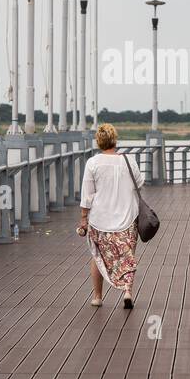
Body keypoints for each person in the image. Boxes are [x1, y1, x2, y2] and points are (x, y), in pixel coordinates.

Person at [77, 122, 144, 308]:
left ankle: (98, 297)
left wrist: (83, 218)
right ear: (115, 140)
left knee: (98, 256)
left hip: (100, 220)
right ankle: (127, 291)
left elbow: (87, 195)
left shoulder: (93, 163)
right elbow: (139, 183)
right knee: (127, 256)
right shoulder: (128, 161)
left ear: (98, 141)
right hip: (127, 217)